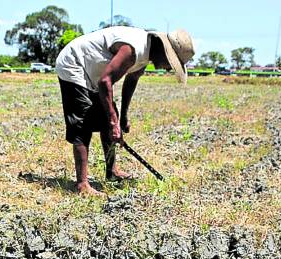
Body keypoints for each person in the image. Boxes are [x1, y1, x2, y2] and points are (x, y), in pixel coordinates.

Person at [55, 26, 194, 195]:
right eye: (171, 63)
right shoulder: (133, 49)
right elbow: (105, 82)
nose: (167, 68)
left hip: (93, 73)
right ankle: (82, 184)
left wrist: (122, 117)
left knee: (109, 117)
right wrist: (114, 123)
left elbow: (131, 79)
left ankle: (111, 171)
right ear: (164, 51)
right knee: (82, 123)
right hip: (74, 63)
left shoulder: (145, 55)